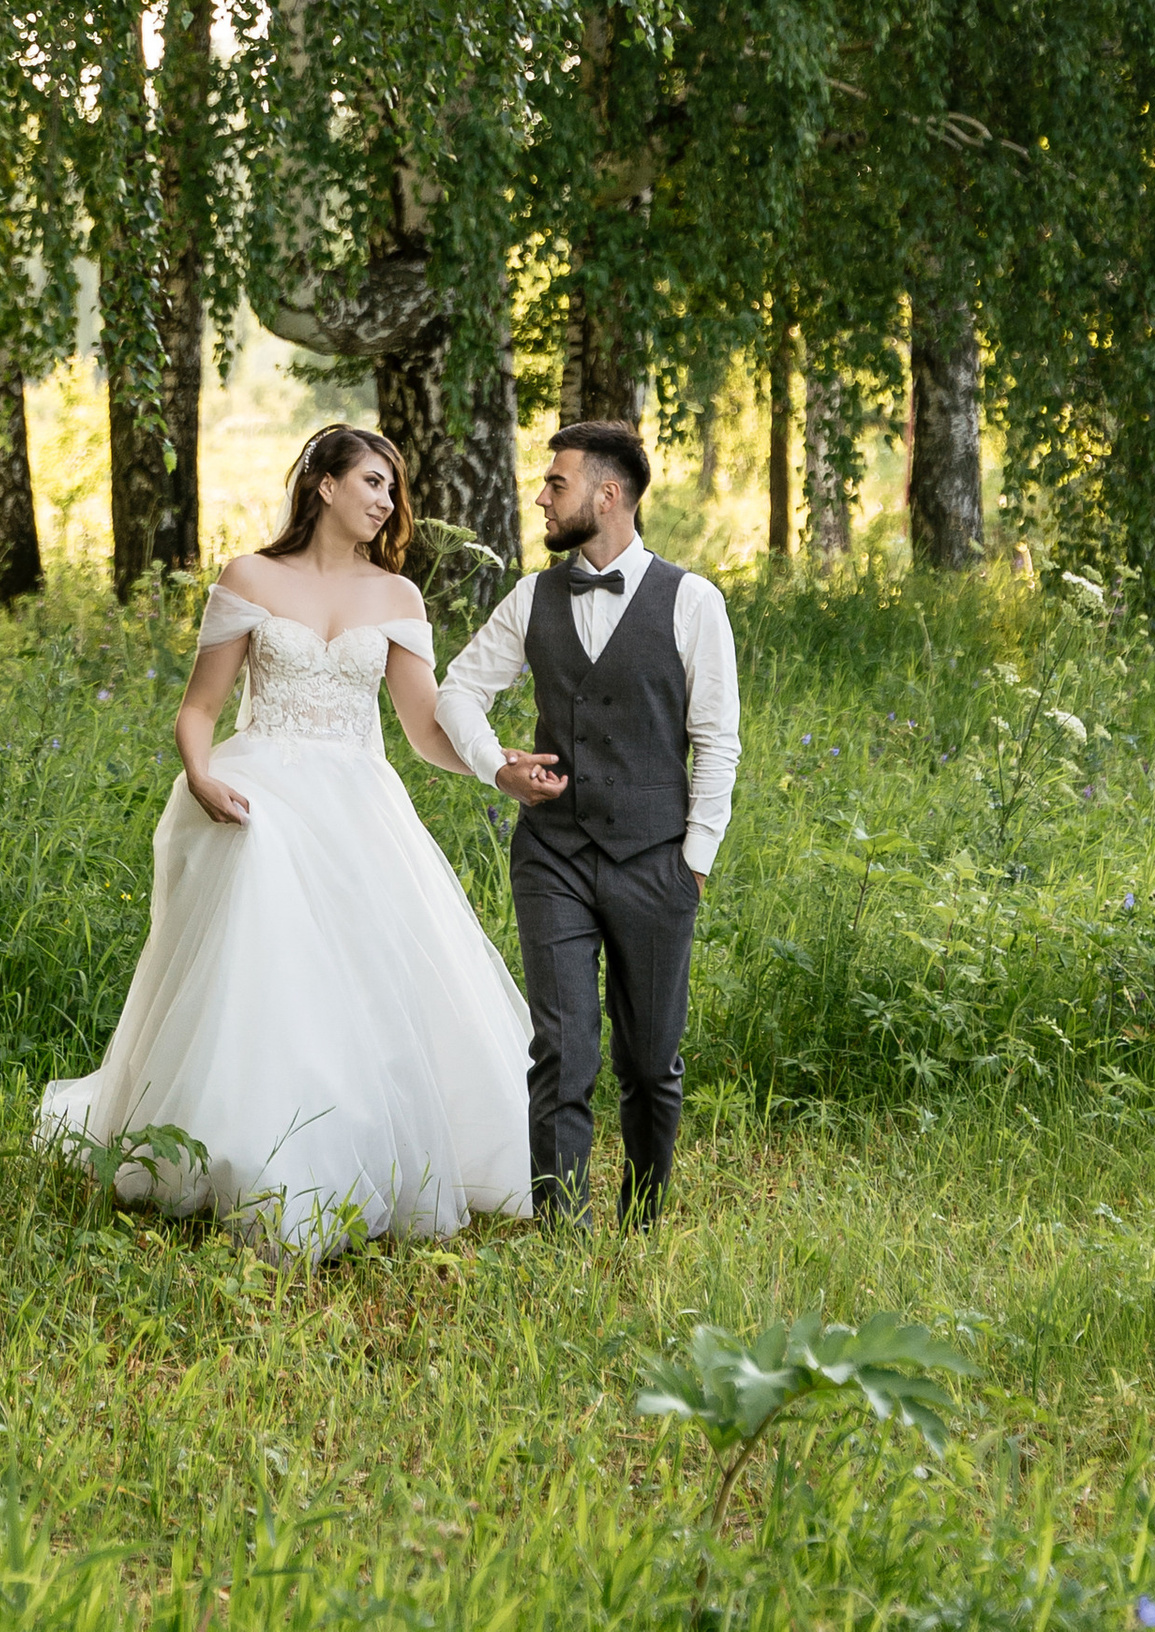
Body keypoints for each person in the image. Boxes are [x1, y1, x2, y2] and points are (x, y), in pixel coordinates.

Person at [37, 425, 531, 1258]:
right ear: (323, 485)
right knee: (268, 941)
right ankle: (243, 1153)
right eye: (372, 482)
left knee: (371, 980)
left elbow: (420, 731)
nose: (386, 502)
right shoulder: (251, 577)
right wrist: (200, 775)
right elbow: (198, 710)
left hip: (357, 798)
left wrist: (496, 769)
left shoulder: (397, 597)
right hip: (260, 785)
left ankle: (355, 1153)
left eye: (391, 490)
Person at [433, 419, 739, 1228]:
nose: (540, 495)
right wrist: (496, 765)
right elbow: (457, 690)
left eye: (556, 482)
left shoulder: (694, 601)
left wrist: (694, 860)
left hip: (657, 860)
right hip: (553, 857)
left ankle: (641, 1224)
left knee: (649, 1060)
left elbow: (717, 740)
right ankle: (561, 1229)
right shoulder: (532, 597)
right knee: (562, 1051)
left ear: (609, 495)